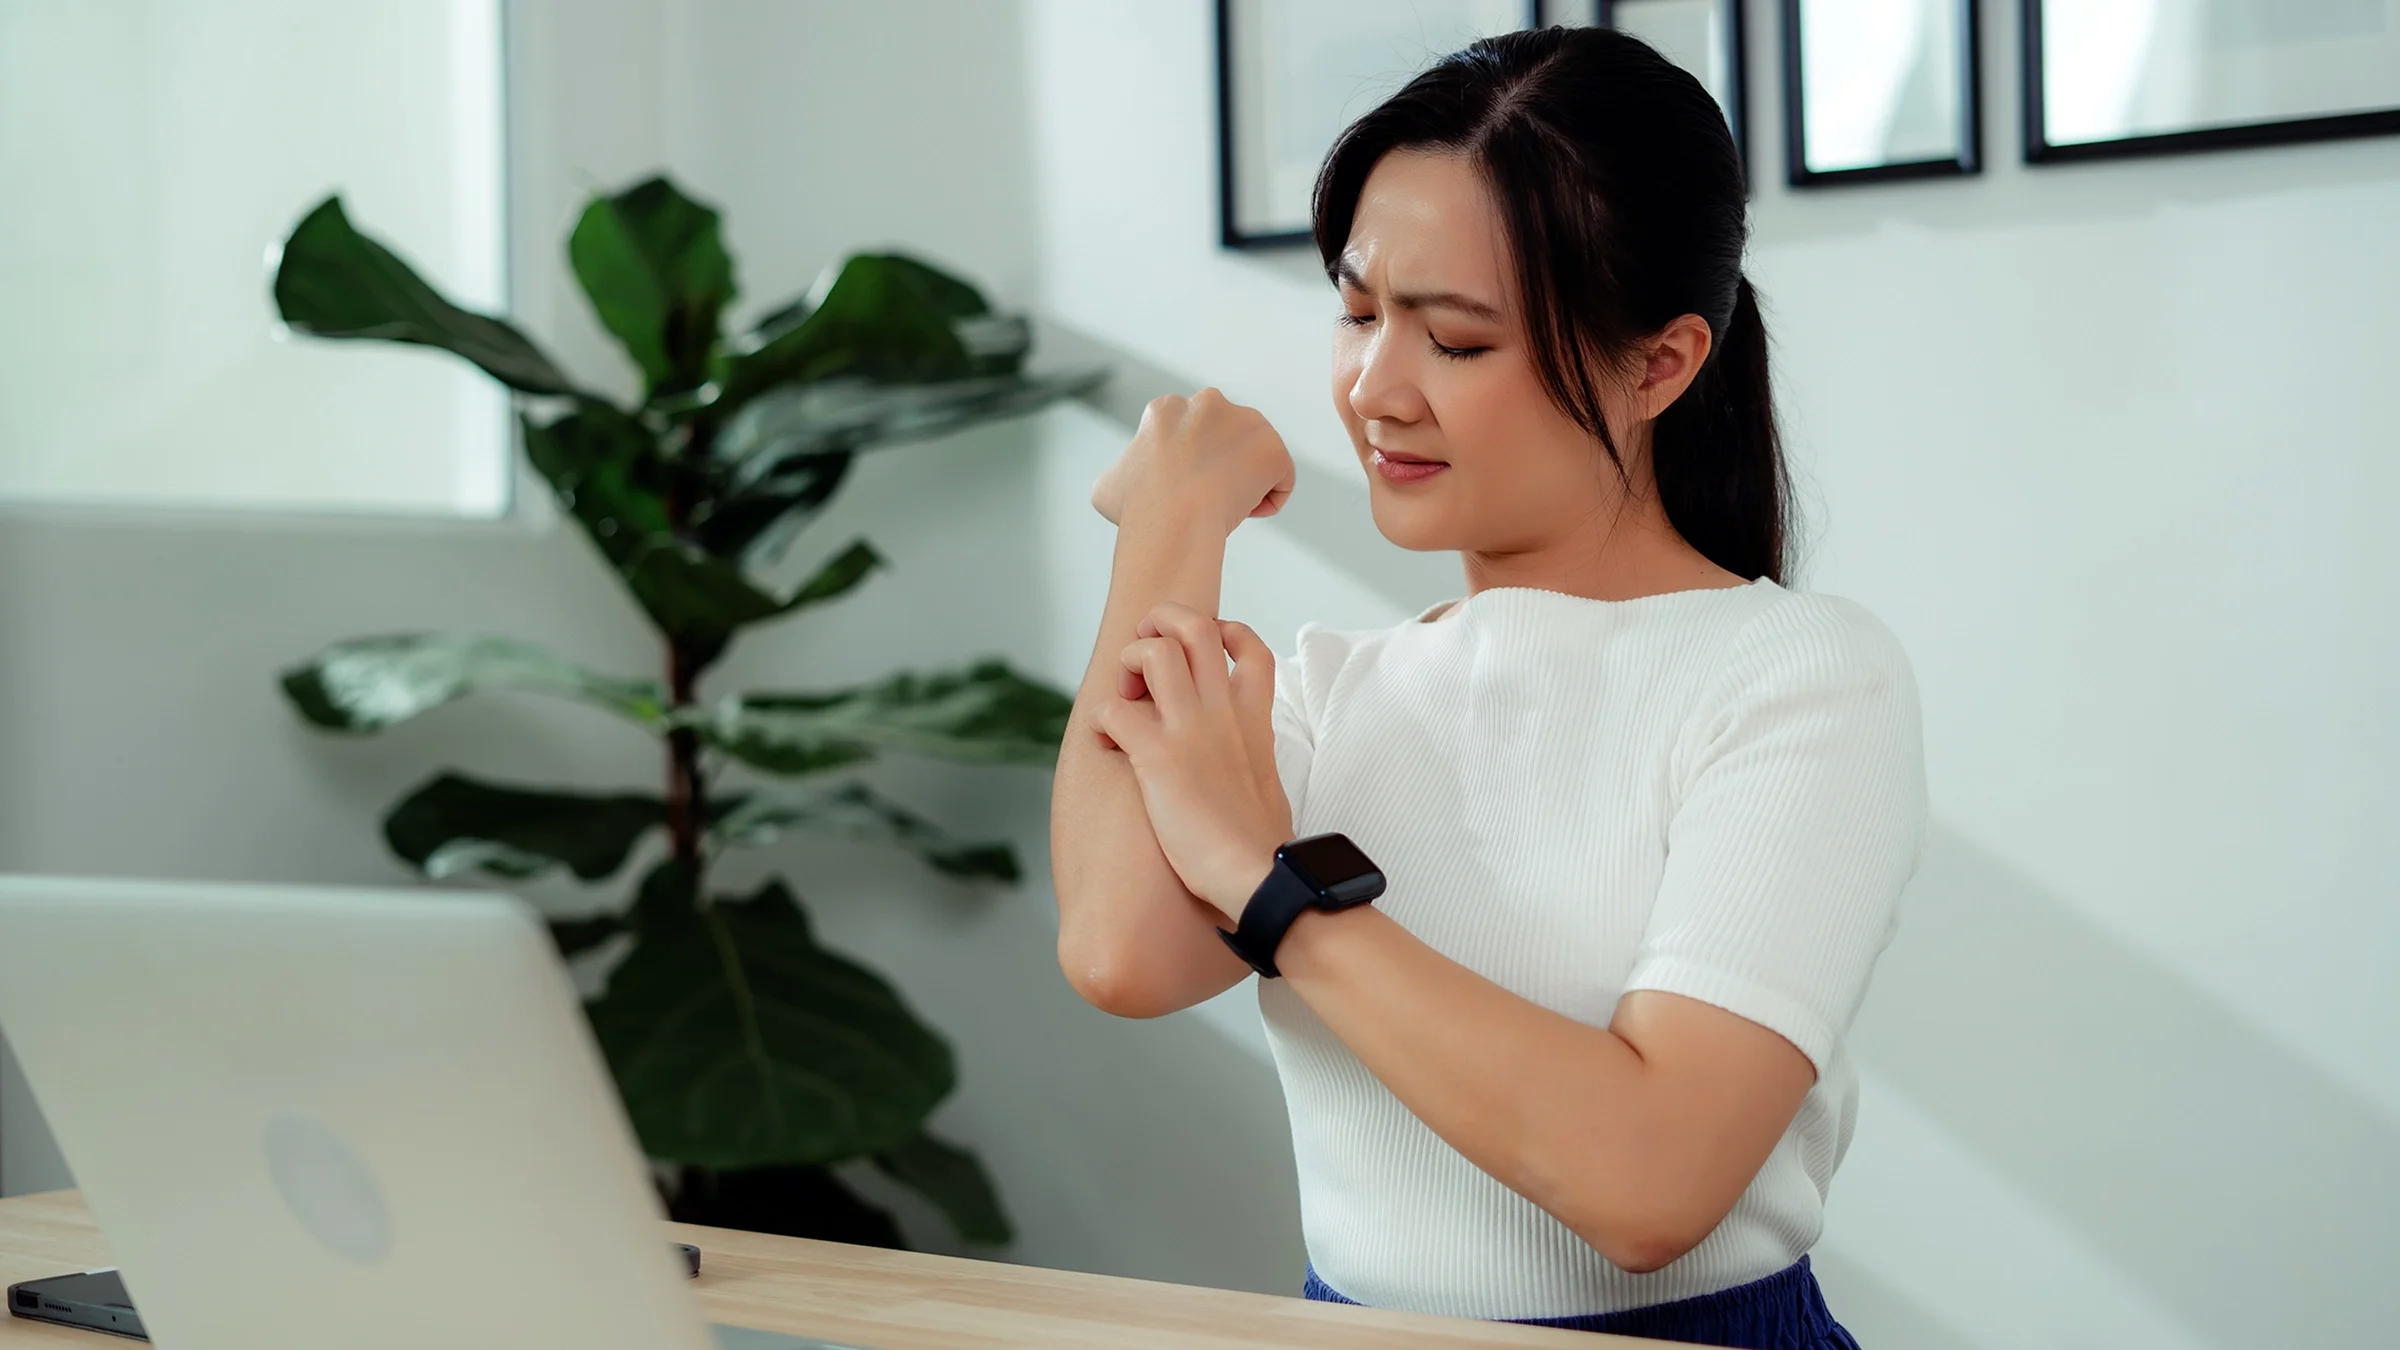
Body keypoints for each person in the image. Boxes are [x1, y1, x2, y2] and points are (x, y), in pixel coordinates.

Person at [1048, 25, 1924, 1349]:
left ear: (1660, 365)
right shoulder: (1335, 691)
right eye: (1356, 311)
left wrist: (1272, 886)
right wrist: (1172, 526)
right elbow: (1117, 949)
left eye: (1454, 340)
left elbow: (1649, 1180)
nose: (1374, 387)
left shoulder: (1799, 679)